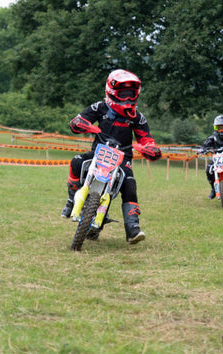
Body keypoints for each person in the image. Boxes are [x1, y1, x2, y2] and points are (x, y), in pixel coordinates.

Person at [61, 69, 162, 244]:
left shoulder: (137, 117)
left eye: (131, 94)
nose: (128, 99)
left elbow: (146, 138)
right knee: (76, 161)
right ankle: (71, 199)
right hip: (98, 153)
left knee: (129, 184)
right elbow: (79, 120)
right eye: (123, 94)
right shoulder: (99, 107)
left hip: (122, 158)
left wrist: (151, 148)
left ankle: (132, 229)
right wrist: (80, 123)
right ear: (112, 92)